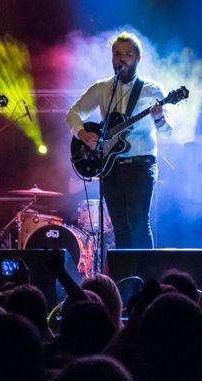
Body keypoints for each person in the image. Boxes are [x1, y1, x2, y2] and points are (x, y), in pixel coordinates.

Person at [65, 32, 172, 248]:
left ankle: (145, 271)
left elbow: (167, 131)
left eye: (128, 54)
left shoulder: (151, 90)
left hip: (140, 165)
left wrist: (159, 118)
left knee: (139, 224)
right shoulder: (102, 88)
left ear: (138, 58)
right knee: (120, 228)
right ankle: (123, 271)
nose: (122, 59)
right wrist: (83, 134)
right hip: (110, 166)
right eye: (117, 54)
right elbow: (73, 113)